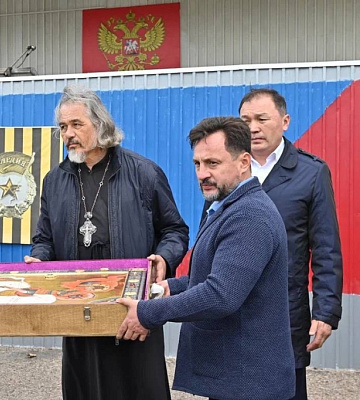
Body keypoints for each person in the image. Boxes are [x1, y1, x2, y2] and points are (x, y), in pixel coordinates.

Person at [25, 85, 189, 400]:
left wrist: (164, 258)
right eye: (63, 126)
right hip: (77, 310)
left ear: (100, 125)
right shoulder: (54, 180)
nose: (68, 134)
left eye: (76, 124)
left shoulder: (144, 173)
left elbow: (174, 230)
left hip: (133, 310)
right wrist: (39, 260)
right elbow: (44, 238)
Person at [117, 116, 296, 399]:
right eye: (197, 164)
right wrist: (171, 287)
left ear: (244, 162)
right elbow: (217, 275)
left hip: (248, 385)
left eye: (213, 163)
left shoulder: (249, 216)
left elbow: (220, 295)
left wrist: (147, 313)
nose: (202, 174)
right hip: (235, 380)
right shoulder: (226, 205)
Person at [239, 89, 343, 399]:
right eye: (245, 120)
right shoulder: (230, 168)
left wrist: (325, 312)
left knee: (284, 390)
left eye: (262, 119)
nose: (253, 128)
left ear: (285, 122)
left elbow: (326, 248)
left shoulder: (310, 173)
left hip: (284, 311)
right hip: (233, 305)